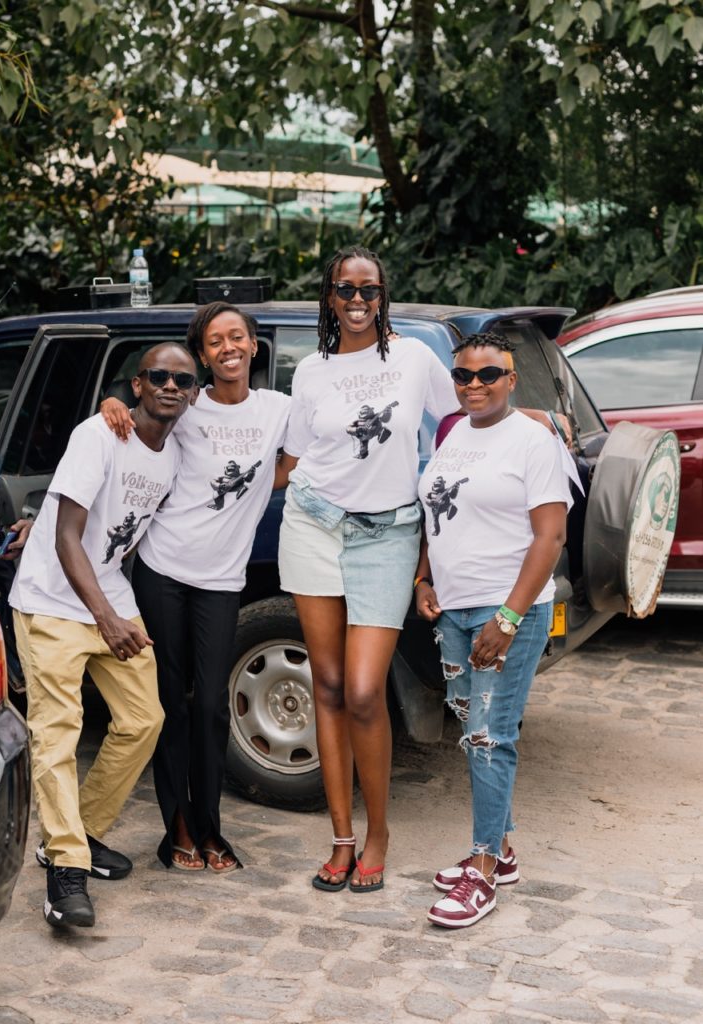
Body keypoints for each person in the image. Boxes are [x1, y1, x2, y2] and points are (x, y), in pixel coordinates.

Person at [275, 245, 461, 893]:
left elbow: (463, 420)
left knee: (361, 691)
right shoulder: (311, 371)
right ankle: (341, 838)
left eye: (369, 290)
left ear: (384, 296)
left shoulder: (414, 359)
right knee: (326, 686)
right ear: (329, 298)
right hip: (313, 524)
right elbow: (290, 461)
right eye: (345, 290)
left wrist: (532, 421)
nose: (357, 301)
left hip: (388, 534)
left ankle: (378, 832)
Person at [9, 343, 198, 928]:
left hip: (111, 597)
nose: (170, 386)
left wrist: (114, 614)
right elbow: (67, 536)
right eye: (158, 376)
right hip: (51, 601)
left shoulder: (175, 453)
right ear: (137, 385)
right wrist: (108, 620)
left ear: (193, 394)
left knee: (144, 720)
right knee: (57, 734)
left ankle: (78, 832)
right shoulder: (98, 435)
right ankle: (65, 871)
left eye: (182, 380)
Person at [101, 302, 290, 873]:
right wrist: (111, 401)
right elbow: (131, 420)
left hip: (222, 579)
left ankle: (211, 827)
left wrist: (252, 489)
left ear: (253, 345)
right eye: (214, 341)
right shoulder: (184, 403)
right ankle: (178, 826)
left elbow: (303, 455)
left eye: (237, 337)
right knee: (170, 705)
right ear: (203, 355)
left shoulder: (278, 409)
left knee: (210, 706)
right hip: (162, 569)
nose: (228, 348)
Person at [414, 330, 579, 929]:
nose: (474, 385)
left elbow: (550, 537)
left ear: (511, 379)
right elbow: (439, 509)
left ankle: (482, 871)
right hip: (454, 611)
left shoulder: (534, 441)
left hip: (506, 611)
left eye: (489, 375)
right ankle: (501, 850)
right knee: (472, 727)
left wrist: (507, 619)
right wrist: (423, 578)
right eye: (463, 375)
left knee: (489, 736)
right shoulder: (454, 433)